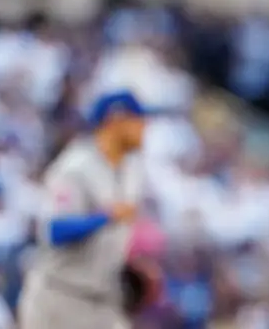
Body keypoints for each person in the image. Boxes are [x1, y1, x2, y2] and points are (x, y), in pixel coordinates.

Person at [16, 45, 169, 328]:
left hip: (103, 300)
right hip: (59, 298)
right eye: (138, 120)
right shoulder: (75, 167)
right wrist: (104, 217)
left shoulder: (132, 167)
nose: (144, 126)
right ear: (116, 121)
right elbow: (53, 231)